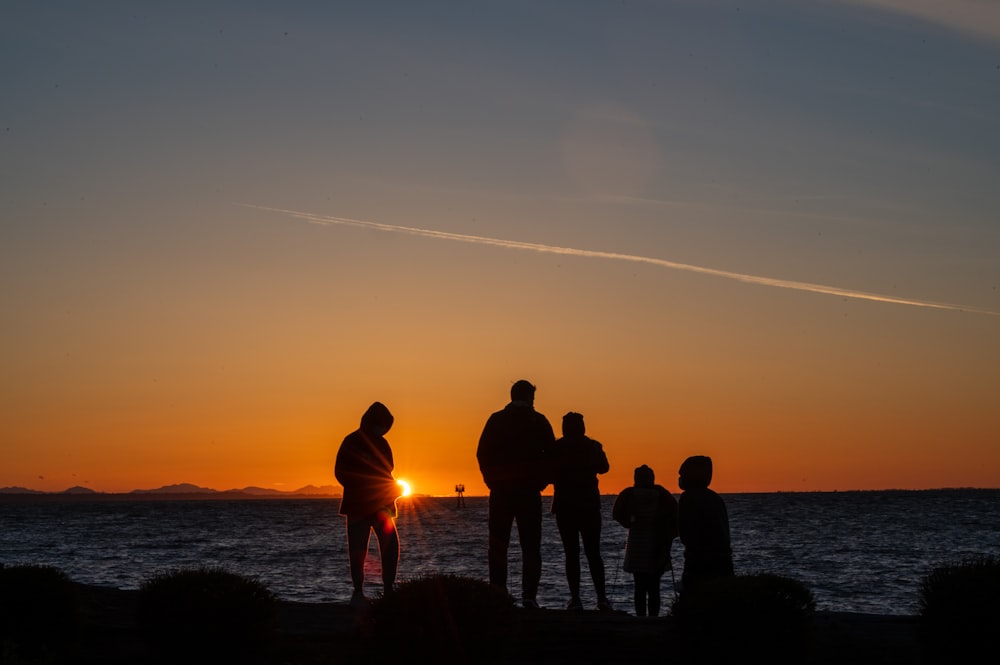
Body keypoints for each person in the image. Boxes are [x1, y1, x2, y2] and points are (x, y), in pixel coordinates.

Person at [476, 379, 556, 609]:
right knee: (531, 547)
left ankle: (498, 594)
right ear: (531, 397)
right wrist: (541, 482)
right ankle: (529, 597)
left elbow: (482, 453)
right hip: (528, 492)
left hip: (501, 492)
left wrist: (491, 481)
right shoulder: (539, 421)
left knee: (498, 545)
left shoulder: (496, 420)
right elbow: (552, 456)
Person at [334, 401, 402, 608]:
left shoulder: (383, 443)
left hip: (381, 504)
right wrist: (362, 485)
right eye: (384, 425)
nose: (385, 430)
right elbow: (341, 472)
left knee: (391, 547)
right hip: (358, 504)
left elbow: (387, 470)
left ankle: (389, 589)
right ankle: (358, 591)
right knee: (357, 549)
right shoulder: (352, 441)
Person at [550, 412, 612, 611]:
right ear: (582, 427)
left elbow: (549, 473)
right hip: (589, 506)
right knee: (593, 553)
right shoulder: (593, 447)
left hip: (565, 506)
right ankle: (601, 598)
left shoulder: (557, 448)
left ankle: (576, 599)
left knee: (572, 553)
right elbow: (604, 468)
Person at [612, 464, 678, 617]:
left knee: (639, 586)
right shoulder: (662, 494)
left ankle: (640, 617)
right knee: (655, 586)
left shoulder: (628, 494)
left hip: (636, 544)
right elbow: (675, 517)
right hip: (658, 544)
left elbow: (617, 514)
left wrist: (629, 523)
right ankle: (653, 617)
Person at [677, 455, 734, 592]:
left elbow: (685, 533)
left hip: (699, 560)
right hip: (722, 560)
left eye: (682, 475)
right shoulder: (715, 498)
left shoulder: (688, 498)